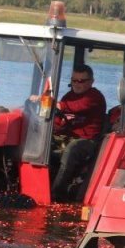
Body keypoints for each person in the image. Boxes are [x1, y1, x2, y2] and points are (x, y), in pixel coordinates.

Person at [51, 65, 106, 201]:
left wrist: (57, 105)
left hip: (88, 141)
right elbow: (59, 119)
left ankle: (56, 194)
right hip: (68, 137)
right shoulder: (69, 96)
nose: (77, 84)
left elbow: (78, 106)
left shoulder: (94, 96)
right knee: (44, 144)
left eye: (81, 81)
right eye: (74, 80)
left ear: (91, 81)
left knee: (72, 149)